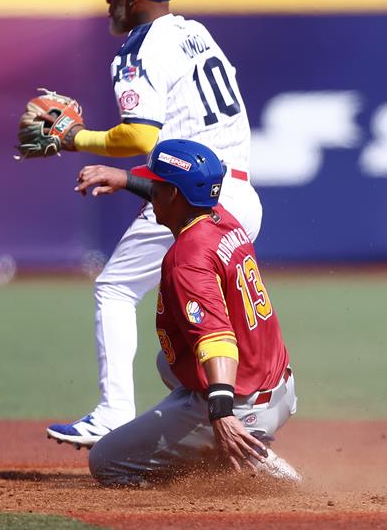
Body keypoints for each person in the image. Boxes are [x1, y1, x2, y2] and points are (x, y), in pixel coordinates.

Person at [40, 0, 263, 446]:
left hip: (196, 200)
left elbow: (140, 138)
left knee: (115, 290)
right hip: (241, 195)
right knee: (192, 337)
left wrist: (77, 138)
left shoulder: (138, 49)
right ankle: (241, 424)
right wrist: (131, 180)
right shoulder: (196, 33)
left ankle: (114, 413)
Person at [70, 139, 298, 486]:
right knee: (168, 361)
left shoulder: (187, 259)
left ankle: (250, 458)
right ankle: (212, 433)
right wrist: (126, 180)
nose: (152, 191)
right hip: (278, 385)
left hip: (243, 405)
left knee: (106, 462)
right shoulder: (223, 217)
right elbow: (174, 194)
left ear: (174, 195)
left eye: (156, 185)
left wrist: (221, 412)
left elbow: (216, 339)